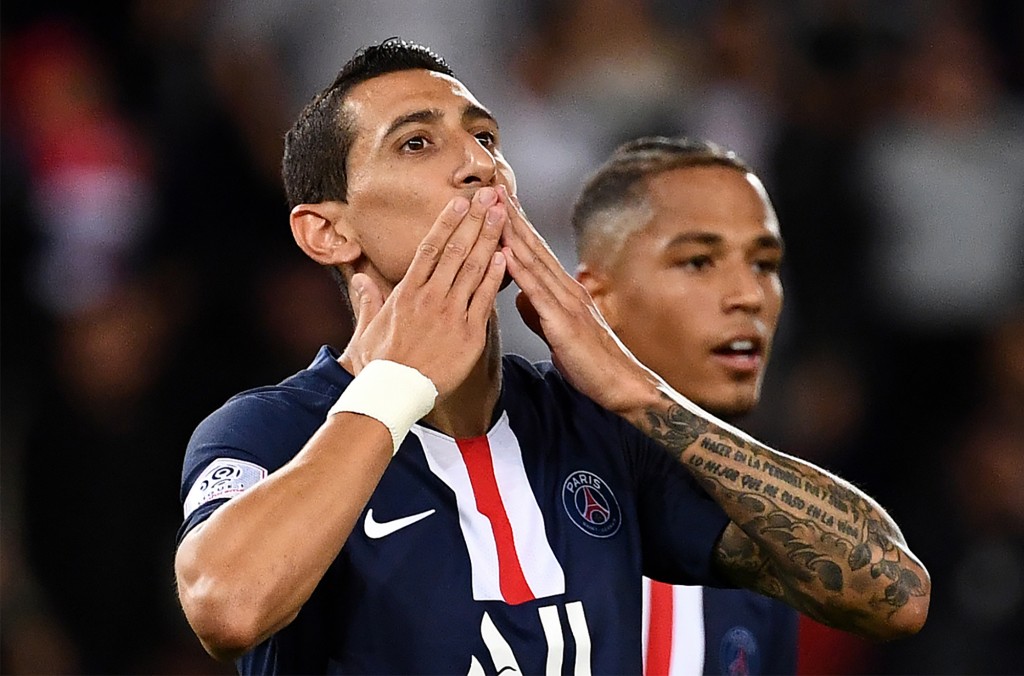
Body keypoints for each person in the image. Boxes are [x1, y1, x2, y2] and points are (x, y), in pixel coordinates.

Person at [173, 39, 930, 674]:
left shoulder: (596, 432)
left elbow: (894, 593)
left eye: (486, 138)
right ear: (327, 233)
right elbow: (228, 608)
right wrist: (399, 380)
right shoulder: (268, 432)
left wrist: (642, 394)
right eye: (416, 142)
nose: (477, 164)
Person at [570, 136, 796, 674]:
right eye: (698, 262)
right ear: (599, 301)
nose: (748, 295)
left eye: (765, 263)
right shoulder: (520, 484)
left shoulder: (777, 531)